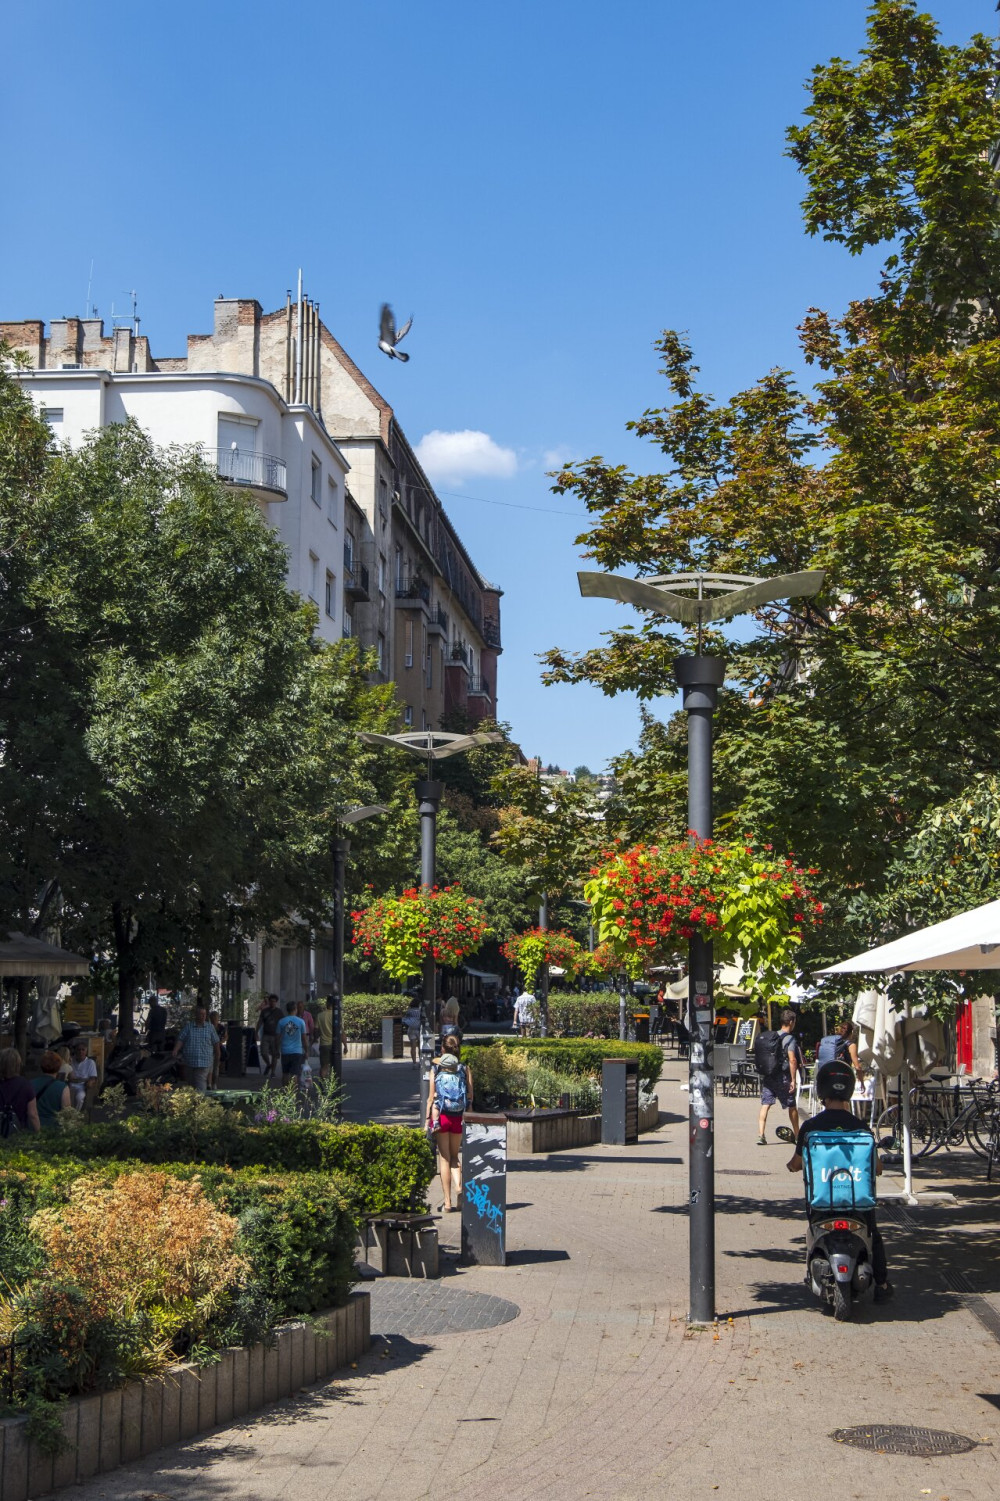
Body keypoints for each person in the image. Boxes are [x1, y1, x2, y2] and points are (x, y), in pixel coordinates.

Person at [786, 1058, 892, 1301]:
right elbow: (877, 1168)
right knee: (873, 1234)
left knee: (812, 1231)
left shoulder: (811, 1127)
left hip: (822, 1204)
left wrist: (791, 1166)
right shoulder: (861, 1127)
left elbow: (797, 1163)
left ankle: (812, 1271)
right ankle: (883, 1284)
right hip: (858, 1204)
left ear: (821, 1090)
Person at [425, 1036, 473, 1213]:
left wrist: (427, 1121)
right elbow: (470, 1097)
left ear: (443, 1050)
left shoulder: (436, 1070)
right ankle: (459, 1186)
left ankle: (447, 1202)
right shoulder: (464, 1068)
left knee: (443, 1158)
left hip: (442, 1117)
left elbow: (431, 1098)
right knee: (455, 1156)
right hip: (458, 1117)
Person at [756, 1007, 802, 1146]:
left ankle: (761, 1135)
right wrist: (793, 1080)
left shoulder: (772, 1036)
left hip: (769, 1075)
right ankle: (798, 1135)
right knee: (791, 1106)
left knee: (765, 1104)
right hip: (783, 1077)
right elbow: (792, 1059)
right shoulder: (790, 1039)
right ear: (791, 1022)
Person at [171, 1005, 220, 1093]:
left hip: (204, 1062)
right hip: (190, 1061)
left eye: (204, 1014)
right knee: (191, 1085)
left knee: (200, 1084)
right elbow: (181, 1039)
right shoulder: (189, 1027)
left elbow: (216, 1042)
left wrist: (217, 1054)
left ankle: (201, 1103)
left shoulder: (210, 1028)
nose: (203, 1016)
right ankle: (193, 1103)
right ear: (196, 1015)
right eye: (201, 1014)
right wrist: (176, 1049)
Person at [0, 1048, 40, 1135]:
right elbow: (33, 1114)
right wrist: (39, 1133)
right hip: (16, 1131)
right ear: (18, 1064)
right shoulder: (25, 1084)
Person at [817, 1017, 863, 1084]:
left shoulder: (830, 1041)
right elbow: (857, 1067)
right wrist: (862, 1082)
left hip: (824, 1077)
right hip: (841, 1079)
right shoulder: (850, 1045)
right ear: (851, 1032)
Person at [33, 1050, 71, 1129]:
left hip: (33, 1126)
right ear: (58, 1067)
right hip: (54, 1129)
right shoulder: (63, 1087)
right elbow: (66, 1114)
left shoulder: (30, 1084)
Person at [276, 999, 307, 1080]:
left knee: (285, 1073)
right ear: (295, 1009)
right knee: (295, 1074)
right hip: (297, 1051)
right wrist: (306, 1051)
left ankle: (285, 1091)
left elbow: (277, 1038)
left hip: (285, 1051)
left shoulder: (281, 1022)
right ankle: (293, 1092)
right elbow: (304, 1038)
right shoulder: (301, 1022)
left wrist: (276, 1050)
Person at [68, 1039, 99, 1111]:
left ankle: (75, 1115)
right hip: (70, 1085)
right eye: (78, 1050)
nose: (80, 1052)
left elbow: (93, 1077)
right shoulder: (71, 1060)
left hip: (82, 1086)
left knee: (80, 1097)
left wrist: (90, 1082)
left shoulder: (90, 1062)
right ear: (75, 1051)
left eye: (83, 1050)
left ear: (86, 1051)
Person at [257, 994, 281, 1078]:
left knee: (275, 1054)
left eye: (274, 1001)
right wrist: (256, 1032)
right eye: (271, 1001)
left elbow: (282, 1023)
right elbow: (260, 1021)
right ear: (269, 1001)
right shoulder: (265, 1011)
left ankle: (273, 1072)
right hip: (266, 1035)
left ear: (276, 1002)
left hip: (275, 1036)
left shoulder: (279, 1012)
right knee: (263, 1052)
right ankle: (268, 1064)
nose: (272, 1003)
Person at [316, 996, 336, 1079]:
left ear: (327, 1003)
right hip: (335, 1044)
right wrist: (345, 1045)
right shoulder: (337, 1016)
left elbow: (315, 1029)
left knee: (324, 1066)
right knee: (334, 1067)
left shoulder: (320, 1015)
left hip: (324, 1044)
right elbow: (341, 1032)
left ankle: (322, 1085)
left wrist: (314, 1039)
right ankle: (331, 1085)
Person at [402, 1001, 421, 1067]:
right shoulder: (420, 1011)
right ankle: (421, 1062)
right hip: (419, 1029)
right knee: (420, 1046)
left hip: (411, 1029)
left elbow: (405, 1019)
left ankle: (414, 1062)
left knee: (413, 1046)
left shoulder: (409, 1011)